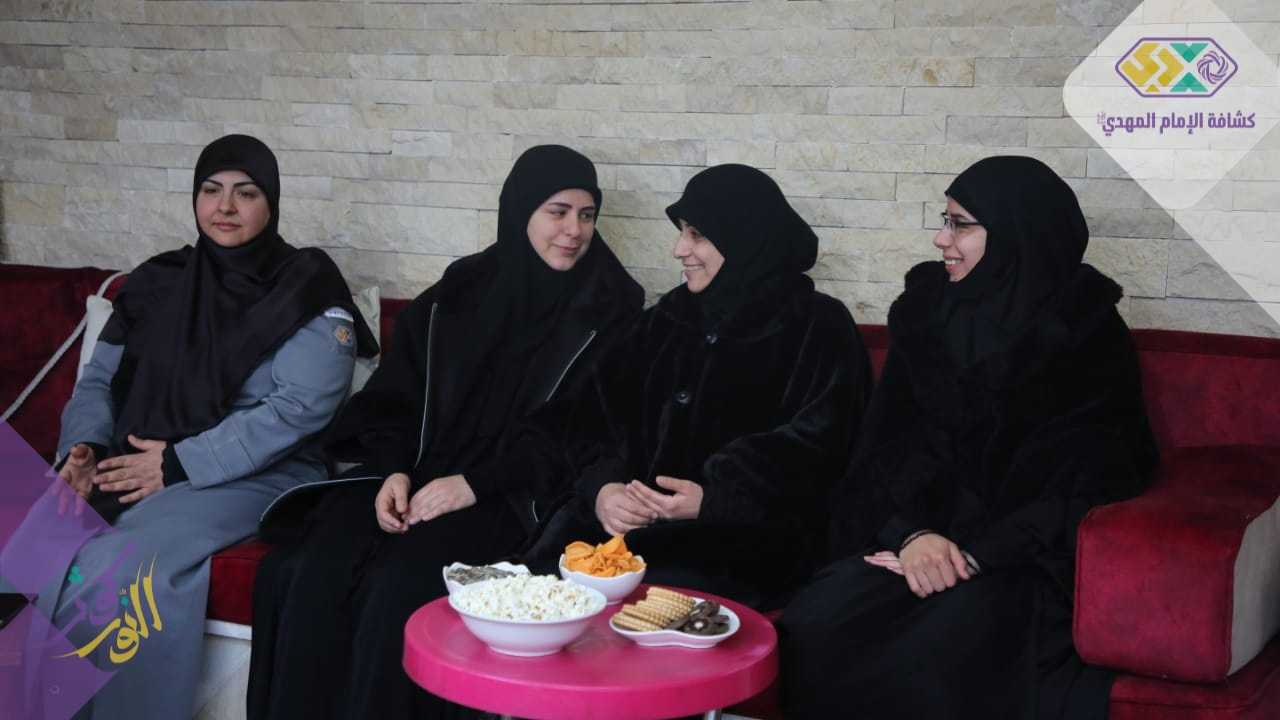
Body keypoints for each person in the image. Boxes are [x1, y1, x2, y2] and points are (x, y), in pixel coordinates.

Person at [247, 144, 644, 720]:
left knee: (403, 585)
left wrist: (474, 484)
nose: (574, 231)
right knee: (309, 568)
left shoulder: (610, 310)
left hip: (512, 495)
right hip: (415, 477)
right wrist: (392, 471)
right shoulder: (459, 292)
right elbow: (395, 397)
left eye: (587, 215)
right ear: (520, 211)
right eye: (558, 212)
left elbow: (581, 433)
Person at [780, 156, 1158, 719]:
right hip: (913, 548)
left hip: (1017, 561)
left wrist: (977, 555)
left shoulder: (1085, 335)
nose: (941, 239)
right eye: (945, 221)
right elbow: (880, 451)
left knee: (935, 656)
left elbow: (1097, 480)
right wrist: (911, 534)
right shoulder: (926, 316)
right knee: (816, 622)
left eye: (960, 224)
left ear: (1015, 235)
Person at [28, 133, 377, 719]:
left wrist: (177, 463)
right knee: (31, 540)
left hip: (261, 474)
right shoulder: (158, 282)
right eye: (211, 190)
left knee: (119, 567)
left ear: (272, 203)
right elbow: (97, 382)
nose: (226, 207)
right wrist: (82, 448)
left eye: (246, 193)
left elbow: (300, 408)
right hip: (130, 460)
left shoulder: (306, 285)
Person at [520, 163, 871, 610]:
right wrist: (604, 489)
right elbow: (584, 418)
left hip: (737, 547)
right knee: (527, 596)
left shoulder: (817, 325)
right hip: (615, 533)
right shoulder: (663, 321)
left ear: (743, 238)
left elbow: (826, 444)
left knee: (652, 608)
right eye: (682, 232)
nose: (679, 249)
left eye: (697, 235)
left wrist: (717, 499)